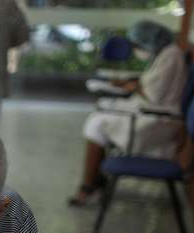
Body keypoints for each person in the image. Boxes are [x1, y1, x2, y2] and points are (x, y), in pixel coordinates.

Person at [69, 20, 187, 206]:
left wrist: (132, 86)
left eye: (137, 45)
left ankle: (88, 187)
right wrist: (132, 83)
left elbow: (153, 94)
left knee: (96, 123)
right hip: (149, 111)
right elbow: (153, 83)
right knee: (100, 114)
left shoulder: (170, 56)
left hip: (157, 119)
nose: (136, 49)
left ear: (150, 40)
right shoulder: (165, 53)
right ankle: (96, 181)